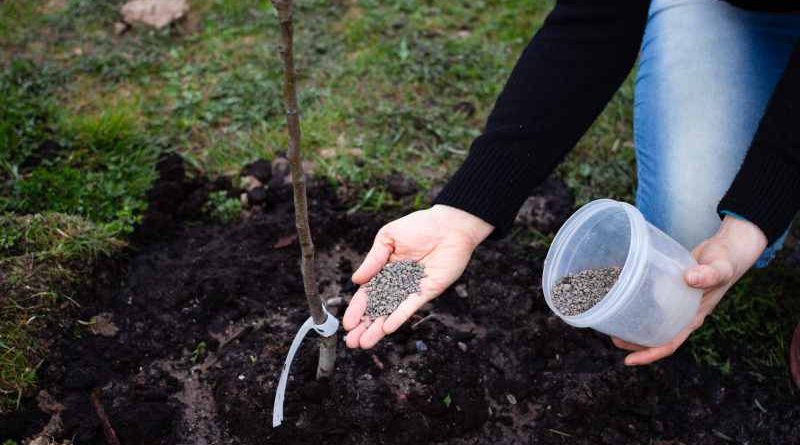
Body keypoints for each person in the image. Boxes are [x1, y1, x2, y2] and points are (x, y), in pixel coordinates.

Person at [343, 0, 800, 366]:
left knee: (731, 229)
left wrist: (752, 219)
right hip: (732, 10)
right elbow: (593, 23)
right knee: (692, 235)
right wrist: (465, 211)